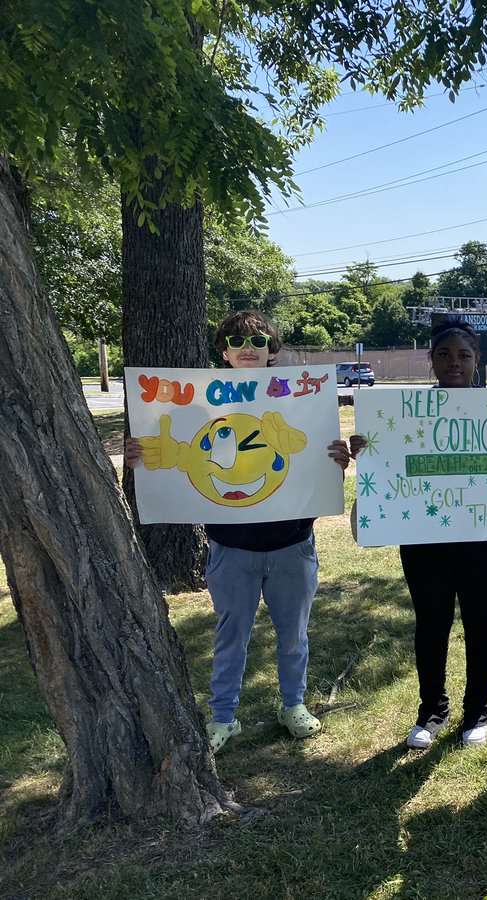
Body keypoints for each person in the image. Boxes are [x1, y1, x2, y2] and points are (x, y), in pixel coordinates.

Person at [126, 311, 354, 754]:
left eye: (258, 341)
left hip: (292, 546)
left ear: (272, 351)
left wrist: (335, 462)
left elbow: (310, 467)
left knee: (294, 634)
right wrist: (143, 457)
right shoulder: (199, 405)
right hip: (231, 549)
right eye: (236, 341)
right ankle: (223, 716)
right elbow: (176, 456)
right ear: (224, 352)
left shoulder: (299, 403)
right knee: (231, 636)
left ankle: (293, 704)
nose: (248, 348)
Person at [382, 316, 487, 750]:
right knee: (431, 623)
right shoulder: (404, 415)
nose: (454, 362)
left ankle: (477, 711)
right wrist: (369, 447)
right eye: (444, 354)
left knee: (480, 621)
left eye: (464, 354)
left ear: (477, 361)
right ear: (431, 360)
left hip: (485, 536)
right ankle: (431, 710)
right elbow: (388, 463)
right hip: (423, 537)